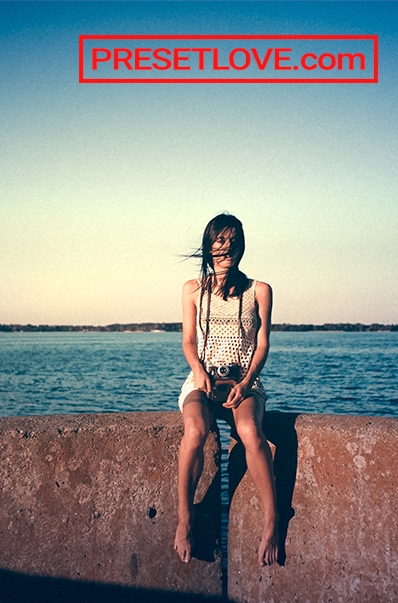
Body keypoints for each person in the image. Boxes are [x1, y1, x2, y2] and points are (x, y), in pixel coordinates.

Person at [174, 213, 278, 567]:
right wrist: (198, 371)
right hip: (201, 379)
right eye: (219, 241)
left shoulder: (259, 290)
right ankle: (185, 520)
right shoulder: (192, 289)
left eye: (233, 242)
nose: (226, 248)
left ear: (241, 246)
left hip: (243, 380)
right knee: (196, 430)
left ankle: (271, 523)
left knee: (250, 431)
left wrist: (247, 382)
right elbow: (188, 341)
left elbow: (262, 345)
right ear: (209, 245)